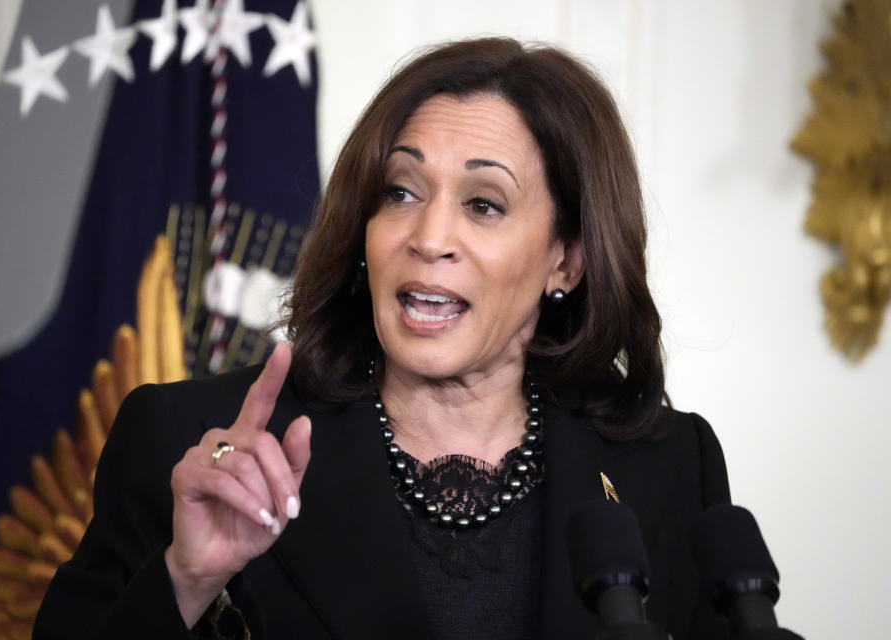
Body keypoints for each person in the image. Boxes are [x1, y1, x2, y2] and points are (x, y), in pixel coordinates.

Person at [35, 37, 731, 639]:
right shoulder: (189, 441)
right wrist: (184, 580)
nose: (427, 238)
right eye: (401, 192)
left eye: (483, 205)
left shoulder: (668, 467)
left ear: (567, 260)